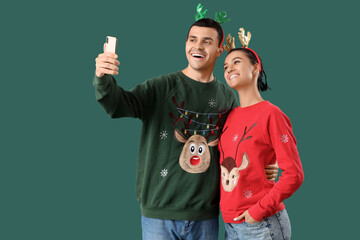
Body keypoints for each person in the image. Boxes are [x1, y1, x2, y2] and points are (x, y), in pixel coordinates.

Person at [93, 18, 278, 240]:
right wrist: (102, 78)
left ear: (220, 49)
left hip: (205, 216)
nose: (198, 46)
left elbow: (239, 143)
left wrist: (270, 161)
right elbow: (117, 105)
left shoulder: (227, 97)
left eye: (207, 41)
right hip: (158, 214)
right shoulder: (162, 87)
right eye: (192, 39)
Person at [218, 29, 304, 240]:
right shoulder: (229, 115)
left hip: (261, 224)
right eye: (226, 66)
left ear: (256, 67)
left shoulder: (271, 114)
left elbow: (294, 174)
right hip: (230, 224)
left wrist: (258, 211)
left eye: (236, 62)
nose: (229, 69)